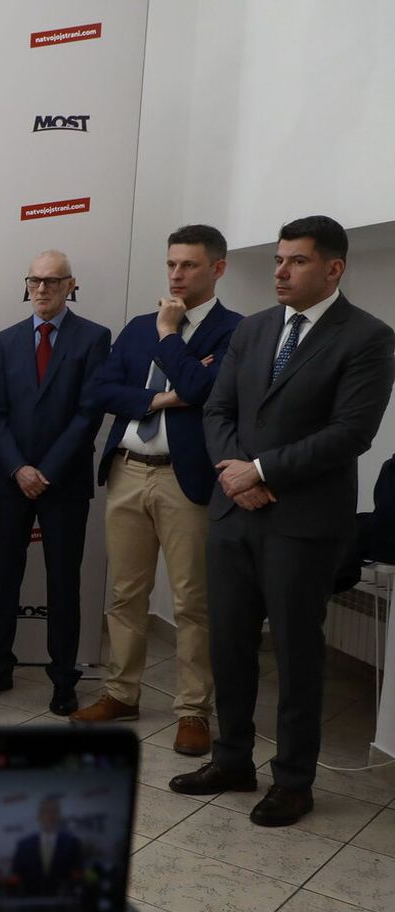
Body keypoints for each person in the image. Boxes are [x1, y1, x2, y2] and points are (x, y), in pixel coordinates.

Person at [171, 216, 395, 827]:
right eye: (278, 259)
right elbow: (218, 409)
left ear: (333, 268)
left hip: (301, 523)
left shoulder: (368, 337)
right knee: (229, 645)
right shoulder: (255, 328)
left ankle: (294, 781)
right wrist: (235, 474)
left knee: (297, 656)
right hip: (233, 514)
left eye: (296, 261)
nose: (281, 272)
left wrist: (261, 471)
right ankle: (231, 761)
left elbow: (350, 432)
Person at [75, 226, 241, 755]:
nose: (176, 274)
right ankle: (121, 694)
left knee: (193, 601)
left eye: (189, 265)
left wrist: (171, 337)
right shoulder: (137, 327)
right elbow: (101, 391)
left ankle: (193, 711)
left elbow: (204, 389)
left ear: (218, 268)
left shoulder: (235, 331)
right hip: (128, 470)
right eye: (171, 264)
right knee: (126, 594)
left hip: (185, 478)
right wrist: (164, 398)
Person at [0, 251, 111, 715]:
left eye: (53, 281)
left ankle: (64, 678)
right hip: (13, 481)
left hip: (64, 483)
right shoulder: (7, 339)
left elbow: (89, 413)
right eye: (35, 280)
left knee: (63, 583)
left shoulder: (94, 338)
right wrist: (19, 468)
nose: (42, 289)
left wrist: (46, 470)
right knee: (4, 579)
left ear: (71, 285)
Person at [10, 797, 84, 897]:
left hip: (63, 901)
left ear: (59, 816)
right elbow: (15, 875)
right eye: (46, 811)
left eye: (55, 811)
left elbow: (78, 873)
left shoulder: (72, 843)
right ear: (39, 816)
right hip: (31, 900)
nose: (51, 815)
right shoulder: (24, 845)